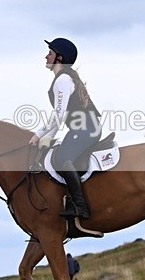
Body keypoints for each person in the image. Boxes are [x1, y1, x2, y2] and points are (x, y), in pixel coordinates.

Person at [29, 38, 101, 220]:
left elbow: (58, 114)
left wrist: (39, 135)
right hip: (80, 128)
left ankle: (80, 206)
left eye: (50, 53)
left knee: (63, 158)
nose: (46, 56)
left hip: (86, 128)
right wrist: (49, 137)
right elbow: (60, 115)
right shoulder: (64, 78)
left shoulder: (63, 80)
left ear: (59, 58)